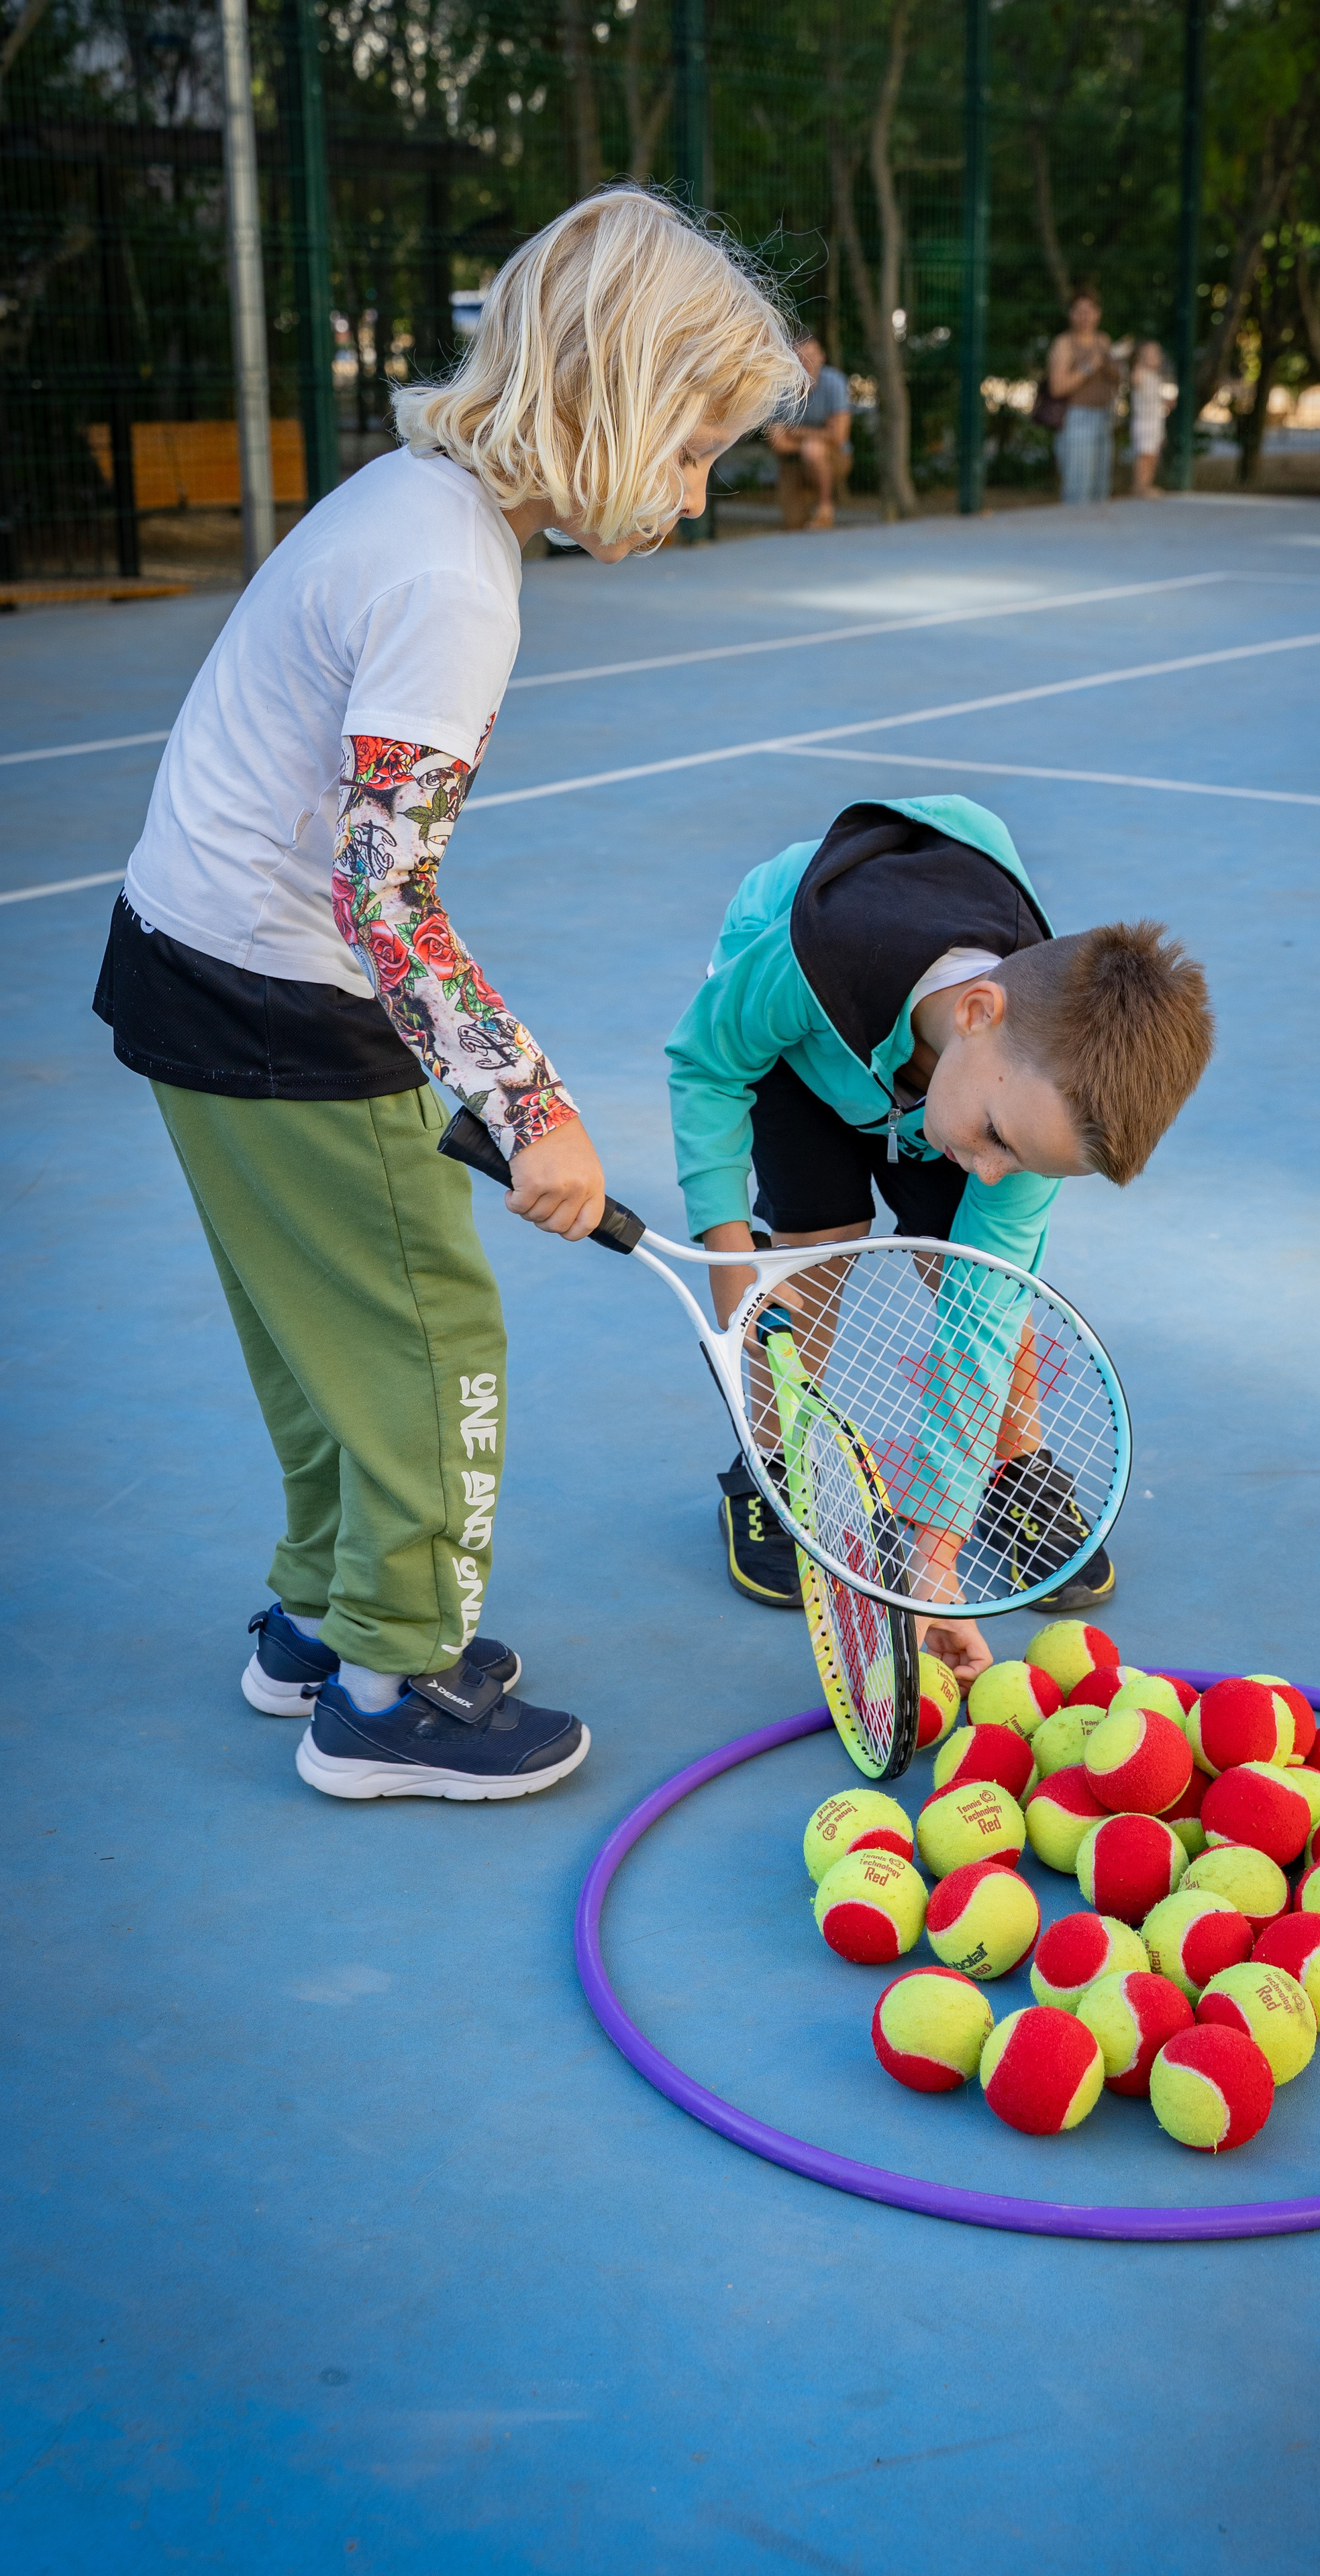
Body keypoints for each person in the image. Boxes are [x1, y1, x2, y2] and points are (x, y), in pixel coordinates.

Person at [93, 189, 803, 1802]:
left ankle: (317, 1615)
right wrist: (530, 1105)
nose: (694, 495)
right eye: (692, 451)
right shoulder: (454, 580)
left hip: (191, 966)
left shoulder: (408, 498)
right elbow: (384, 893)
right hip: (281, 995)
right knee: (429, 1335)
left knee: (318, 1322)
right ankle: (386, 1684)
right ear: (612, 399)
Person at [662, 796, 1214, 1687]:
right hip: (803, 1050)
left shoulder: (1022, 1106)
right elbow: (709, 1063)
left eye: (1023, 1162)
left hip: (936, 1091)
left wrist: (934, 1553)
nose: (992, 1172)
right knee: (818, 1244)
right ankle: (770, 1464)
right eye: (997, 1138)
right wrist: (729, 1250)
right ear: (977, 1012)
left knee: (968, 1267)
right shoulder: (813, 959)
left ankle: (1013, 1468)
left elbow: (982, 1315)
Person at [766, 331, 851, 530]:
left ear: (822, 357)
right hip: (793, 462)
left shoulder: (834, 382)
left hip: (835, 457)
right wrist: (819, 437)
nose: (808, 364)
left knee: (814, 449)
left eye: (812, 357)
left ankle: (825, 507)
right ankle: (810, 496)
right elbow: (779, 445)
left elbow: (839, 437)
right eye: (802, 359)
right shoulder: (779, 389)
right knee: (793, 524)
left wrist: (797, 433)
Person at [1048, 293, 1122, 506]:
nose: (1085, 317)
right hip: (1077, 419)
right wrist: (1089, 367)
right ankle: (1073, 535)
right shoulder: (1064, 344)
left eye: (1089, 311)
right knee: (1078, 489)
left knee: (1101, 488)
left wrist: (1114, 366)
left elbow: (1115, 380)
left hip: (1104, 418)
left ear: (1098, 314)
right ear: (1071, 315)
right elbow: (1057, 388)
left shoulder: (1103, 340)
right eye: (1079, 312)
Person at [1130, 338, 1170, 496]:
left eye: (1156, 354)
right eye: (1148, 354)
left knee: (1153, 456)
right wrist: (1138, 362)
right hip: (1144, 424)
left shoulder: (1156, 377)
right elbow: (1135, 380)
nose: (1154, 357)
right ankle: (1139, 486)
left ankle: (1147, 485)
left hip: (1156, 424)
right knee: (1144, 456)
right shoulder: (1140, 374)